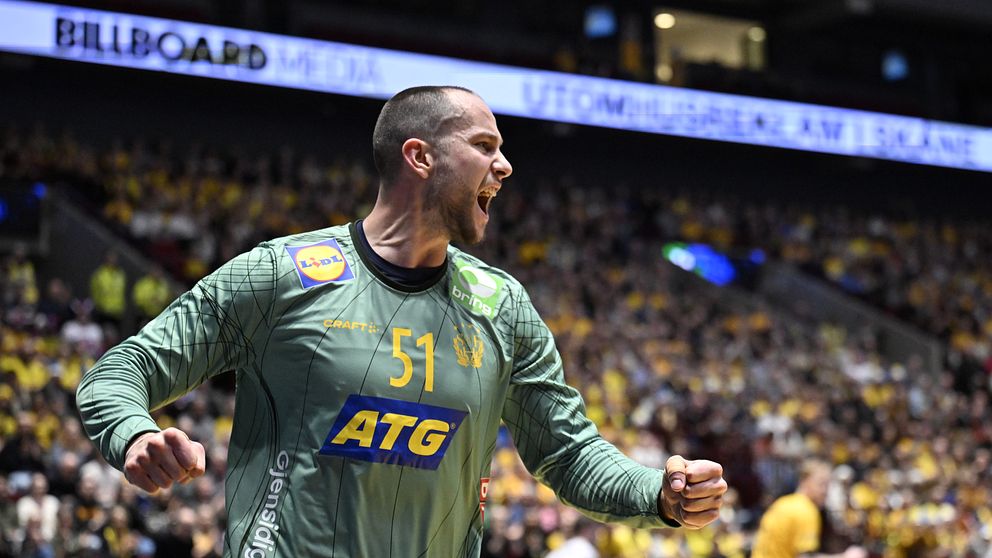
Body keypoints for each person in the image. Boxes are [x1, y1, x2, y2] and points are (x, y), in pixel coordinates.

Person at [77, 86, 727, 557]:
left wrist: (659, 495)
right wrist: (134, 435)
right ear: (420, 157)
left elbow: (568, 453)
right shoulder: (280, 275)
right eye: (484, 146)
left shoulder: (502, 307)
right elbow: (120, 371)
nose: (504, 166)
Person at [751, 460, 866, 558]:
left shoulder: (783, 502)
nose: (825, 491)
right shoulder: (806, 510)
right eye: (821, 484)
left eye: (827, 485)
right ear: (804, 481)